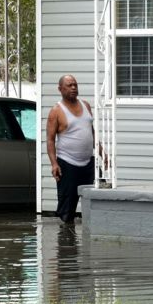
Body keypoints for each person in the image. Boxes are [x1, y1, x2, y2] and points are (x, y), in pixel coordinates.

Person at [47, 75, 95, 223]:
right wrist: (54, 163)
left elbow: (91, 132)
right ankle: (65, 240)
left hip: (88, 163)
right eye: (69, 85)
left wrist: (102, 153)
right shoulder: (56, 111)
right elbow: (50, 140)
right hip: (67, 164)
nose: (73, 87)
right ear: (60, 89)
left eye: (75, 84)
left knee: (91, 202)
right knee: (67, 210)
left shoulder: (86, 105)